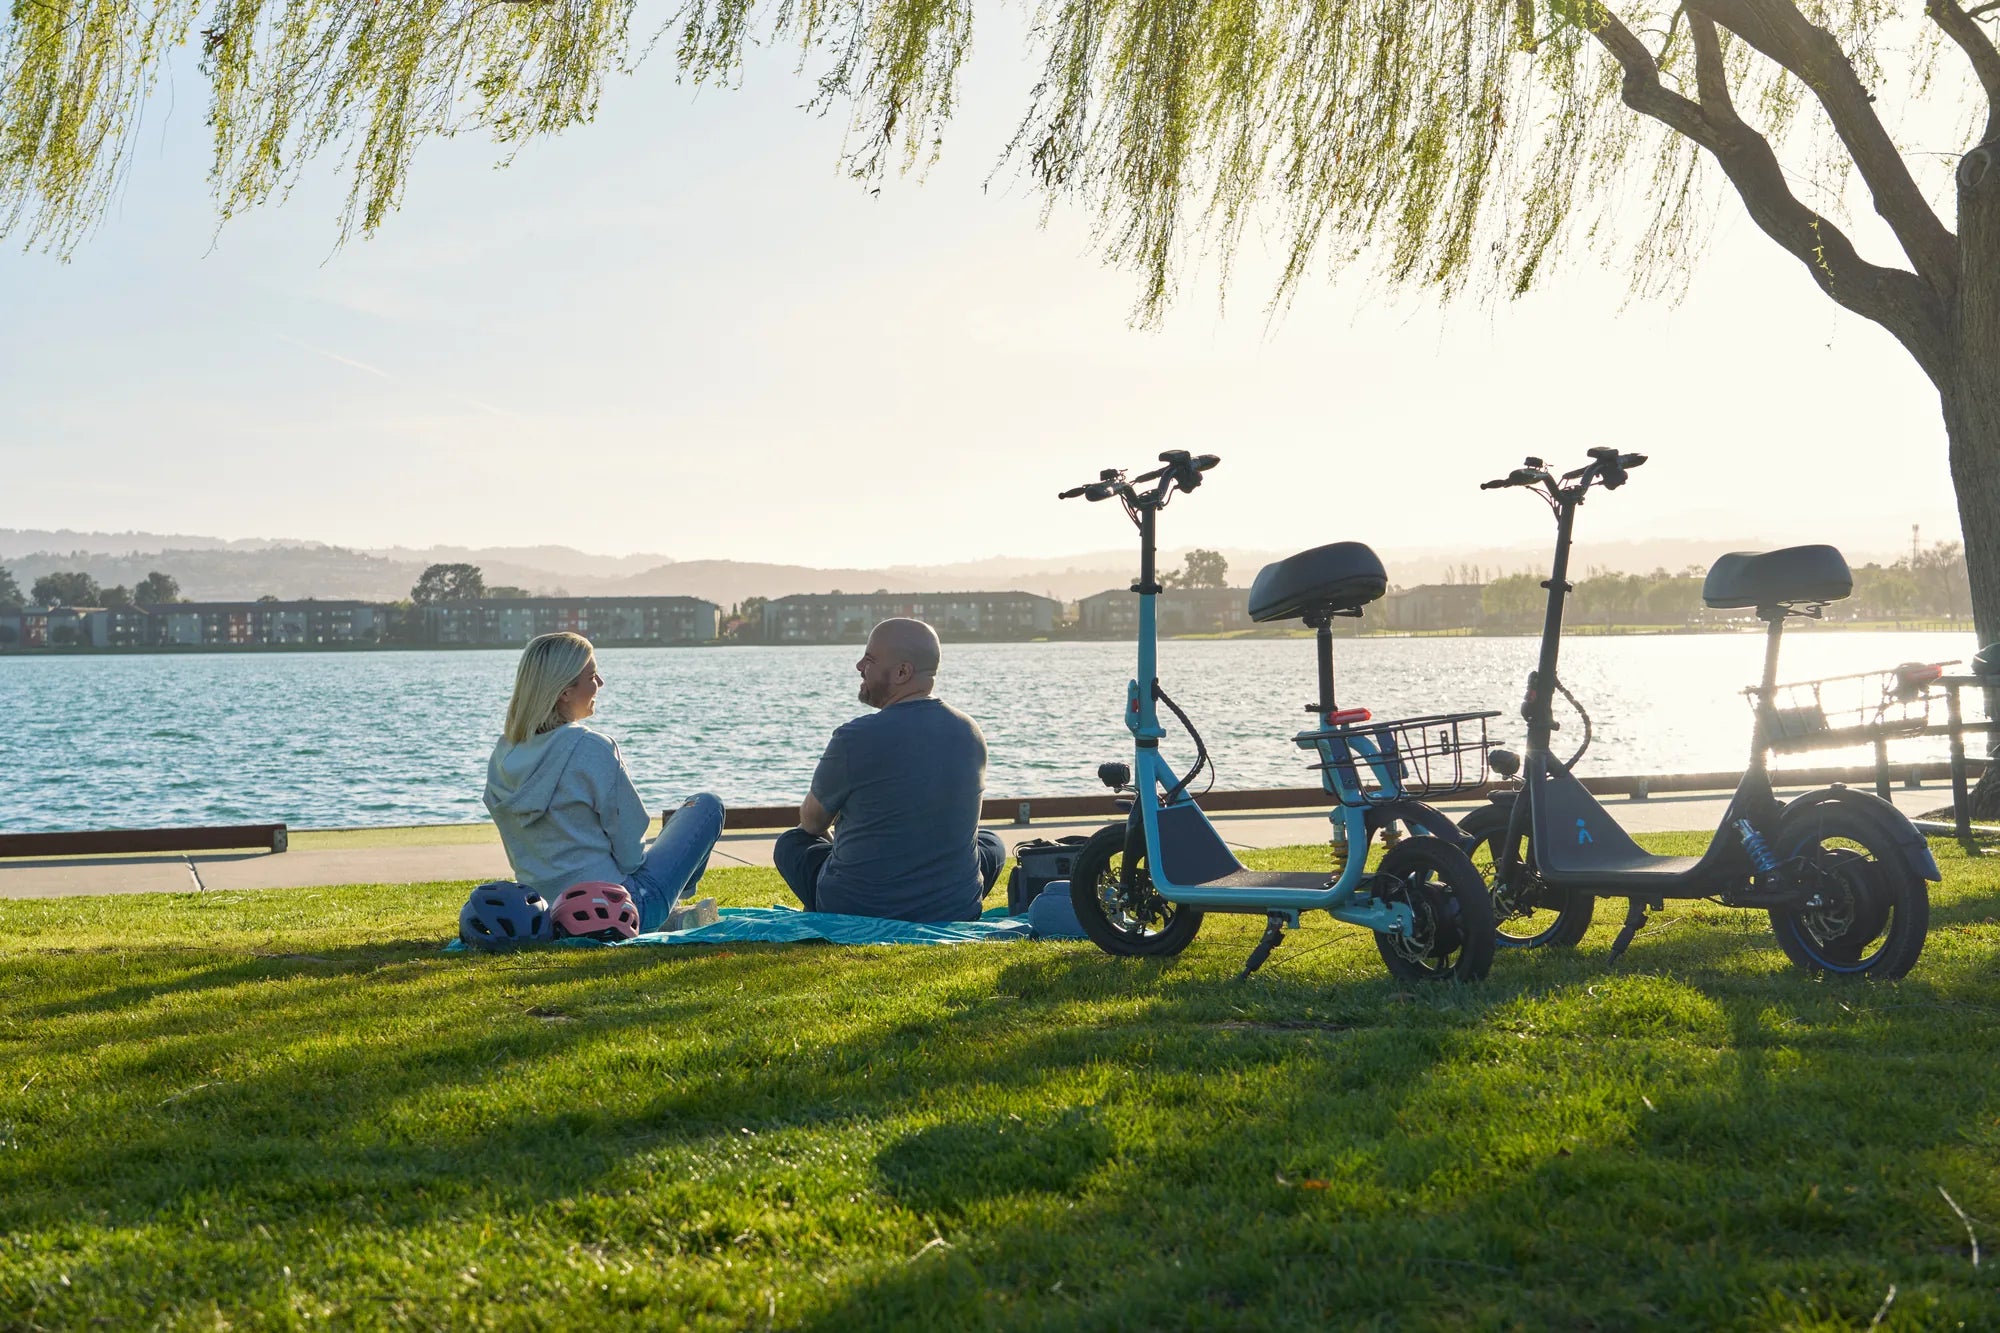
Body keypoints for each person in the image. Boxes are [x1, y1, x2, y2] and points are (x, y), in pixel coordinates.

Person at [484, 632, 725, 933]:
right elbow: (630, 856)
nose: (600, 684)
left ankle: (672, 911)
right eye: (592, 676)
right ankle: (669, 910)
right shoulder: (590, 746)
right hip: (617, 911)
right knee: (707, 805)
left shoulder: (503, 754)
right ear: (565, 692)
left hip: (545, 914)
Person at [775, 618, 1004, 922]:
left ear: (902, 672)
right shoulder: (970, 732)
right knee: (991, 843)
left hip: (854, 907)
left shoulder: (854, 737)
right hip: (952, 907)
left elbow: (812, 822)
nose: (859, 666)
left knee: (792, 843)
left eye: (869, 659)